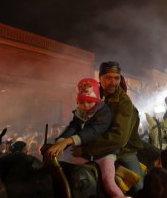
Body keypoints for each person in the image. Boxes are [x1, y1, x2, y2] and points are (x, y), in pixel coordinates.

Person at [45, 78, 124, 197]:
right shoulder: (80, 114)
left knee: (109, 183)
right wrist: (59, 142)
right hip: (87, 154)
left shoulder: (104, 112)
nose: (85, 105)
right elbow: (72, 128)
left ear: (96, 101)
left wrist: (68, 141)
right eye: (82, 102)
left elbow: (93, 131)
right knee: (71, 176)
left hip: (104, 153)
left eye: (89, 102)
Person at [77, 61, 144, 194]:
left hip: (123, 151)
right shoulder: (96, 97)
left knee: (140, 188)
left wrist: (86, 149)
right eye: (108, 77)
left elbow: (119, 138)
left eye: (116, 78)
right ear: (100, 78)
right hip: (99, 149)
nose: (113, 82)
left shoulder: (124, 103)